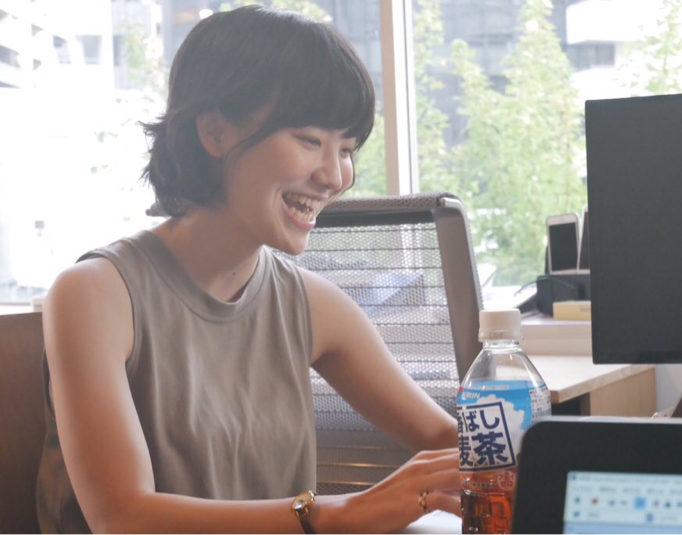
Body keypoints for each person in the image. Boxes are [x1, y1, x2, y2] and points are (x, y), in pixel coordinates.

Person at [37, 6, 460, 533]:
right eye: (310, 140)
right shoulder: (96, 295)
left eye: (347, 149)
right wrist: (349, 512)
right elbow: (123, 518)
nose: (335, 177)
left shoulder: (316, 305)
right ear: (215, 132)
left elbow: (451, 443)